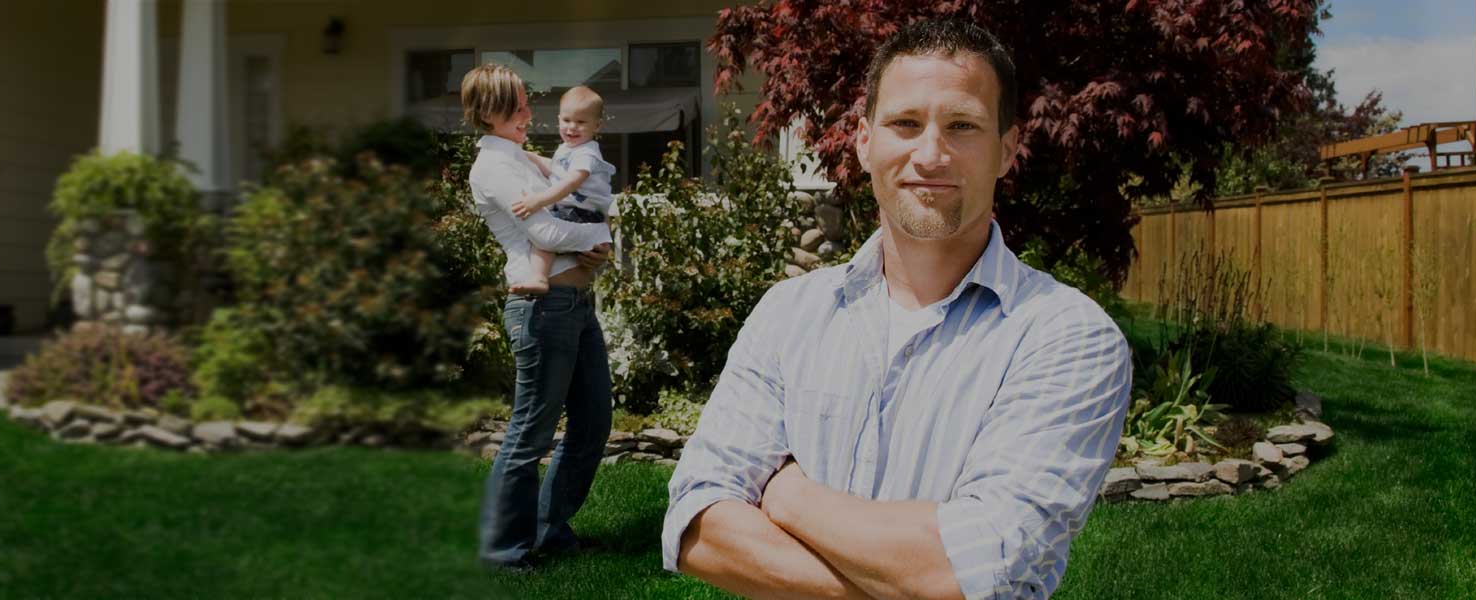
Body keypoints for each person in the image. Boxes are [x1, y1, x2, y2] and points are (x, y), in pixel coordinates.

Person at [661, 19, 1132, 600]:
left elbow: (968, 571)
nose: (930, 154)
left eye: (962, 126)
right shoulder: (790, 313)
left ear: (1007, 150)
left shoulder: (1068, 337)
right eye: (905, 123)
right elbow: (696, 525)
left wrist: (786, 493)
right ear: (864, 142)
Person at [462, 63, 618, 572]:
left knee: (594, 421)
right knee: (529, 432)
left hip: (575, 305)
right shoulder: (492, 168)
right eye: (520, 105)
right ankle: (501, 551)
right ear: (491, 113)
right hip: (542, 308)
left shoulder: (526, 157)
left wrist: (595, 243)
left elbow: (573, 204)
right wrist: (599, 240)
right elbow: (547, 235)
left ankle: (548, 529)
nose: (532, 112)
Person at [507, 86, 618, 296]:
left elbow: (572, 182)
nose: (572, 127)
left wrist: (538, 201)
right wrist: (526, 155)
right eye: (566, 120)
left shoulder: (587, 153)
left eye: (581, 122)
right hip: (584, 215)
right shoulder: (569, 149)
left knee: (544, 239)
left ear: (597, 125)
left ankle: (539, 278)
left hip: (581, 214)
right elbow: (555, 169)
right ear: (558, 120)